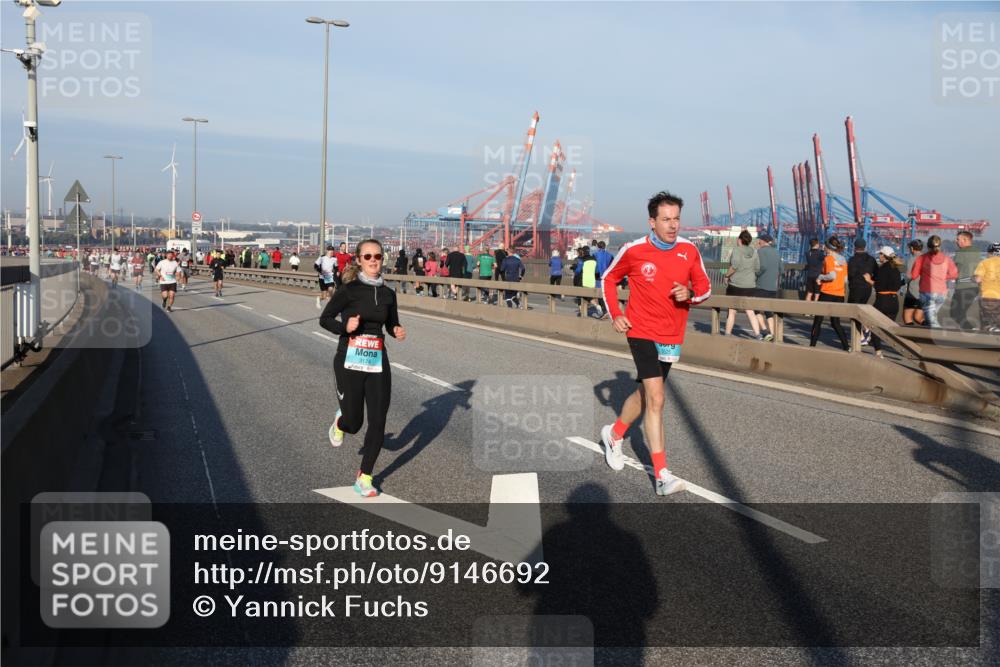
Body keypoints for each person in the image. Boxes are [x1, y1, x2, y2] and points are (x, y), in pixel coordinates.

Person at [599, 191, 711, 496]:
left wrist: (691, 294)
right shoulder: (634, 251)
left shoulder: (689, 251)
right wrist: (616, 315)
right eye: (666, 219)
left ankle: (614, 434)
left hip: (671, 334)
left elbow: (704, 286)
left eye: (676, 219)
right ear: (652, 221)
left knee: (646, 394)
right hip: (641, 330)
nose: (672, 225)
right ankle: (662, 475)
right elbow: (608, 279)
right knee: (658, 397)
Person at [319, 239, 406, 498]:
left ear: (382, 259)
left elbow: (391, 323)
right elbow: (324, 319)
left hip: (377, 360)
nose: (372, 261)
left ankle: (364, 477)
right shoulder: (349, 290)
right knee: (354, 423)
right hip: (349, 359)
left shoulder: (389, 294)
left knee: (378, 421)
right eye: (367, 256)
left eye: (377, 256)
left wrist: (395, 330)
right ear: (358, 260)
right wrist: (344, 328)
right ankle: (340, 421)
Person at [808, 236, 850, 350]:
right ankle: (846, 346)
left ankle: (812, 346)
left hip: (827, 292)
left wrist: (820, 277)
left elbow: (832, 275)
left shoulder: (829, 259)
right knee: (836, 322)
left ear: (828, 247)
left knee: (818, 320)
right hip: (840, 294)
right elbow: (845, 279)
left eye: (824, 246)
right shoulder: (843, 260)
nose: (823, 248)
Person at [910, 235, 958, 328]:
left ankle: (941, 339)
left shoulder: (921, 258)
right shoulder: (946, 258)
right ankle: (927, 340)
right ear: (940, 246)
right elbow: (954, 274)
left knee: (932, 321)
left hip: (927, 292)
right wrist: (942, 276)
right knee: (930, 318)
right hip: (942, 293)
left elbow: (914, 275)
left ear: (927, 246)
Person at [722, 230, 763, 339]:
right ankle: (758, 334)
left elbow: (734, 266)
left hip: (735, 285)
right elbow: (757, 268)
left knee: (732, 311)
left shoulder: (737, 250)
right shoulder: (754, 252)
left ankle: (727, 334)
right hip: (750, 286)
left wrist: (726, 276)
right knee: (750, 311)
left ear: (740, 240)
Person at [869, 246, 904, 357]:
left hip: (882, 301)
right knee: (890, 330)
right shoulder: (896, 269)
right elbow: (899, 285)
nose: (879, 256)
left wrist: (869, 280)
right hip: (894, 302)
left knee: (874, 326)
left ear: (884, 256)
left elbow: (879, 286)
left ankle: (878, 352)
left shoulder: (883, 268)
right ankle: (902, 349)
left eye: (880, 254)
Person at [847, 238, 877, 344]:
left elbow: (850, 275)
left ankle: (862, 335)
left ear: (855, 247)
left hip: (855, 288)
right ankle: (865, 330)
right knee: (861, 309)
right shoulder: (871, 259)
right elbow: (876, 273)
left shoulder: (852, 260)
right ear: (865, 247)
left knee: (854, 312)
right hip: (867, 289)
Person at [753, 233, 780, 341]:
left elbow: (762, 266)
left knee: (756, 310)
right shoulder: (776, 252)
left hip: (761, 286)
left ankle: (765, 331)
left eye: (759, 240)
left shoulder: (760, 251)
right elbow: (782, 269)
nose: (758, 242)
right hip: (773, 287)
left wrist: (756, 274)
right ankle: (773, 333)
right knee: (769, 311)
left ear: (763, 241)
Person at [951, 231, 980, 330]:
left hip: (963, 287)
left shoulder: (961, 252)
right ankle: (970, 330)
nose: (956, 241)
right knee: (960, 313)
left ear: (965, 240)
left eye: (958, 239)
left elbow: (954, 270)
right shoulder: (977, 251)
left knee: (956, 314)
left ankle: (972, 331)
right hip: (974, 287)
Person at [974, 242, 1000, 333]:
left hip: (987, 297)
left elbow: (978, 279)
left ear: (991, 252)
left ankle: (990, 330)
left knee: (987, 323)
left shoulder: (984, 263)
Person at [902, 239, 925, 325]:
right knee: (918, 317)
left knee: (907, 318)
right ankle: (931, 328)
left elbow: (909, 276)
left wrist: (902, 282)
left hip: (913, 293)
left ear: (912, 248)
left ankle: (910, 338)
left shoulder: (912, 259)